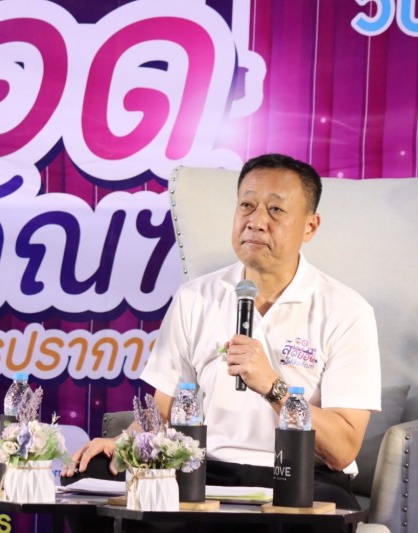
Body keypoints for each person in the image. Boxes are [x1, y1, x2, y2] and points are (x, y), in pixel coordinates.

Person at [61, 153, 381, 530]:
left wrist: (273, 387)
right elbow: (164, 409)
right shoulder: (196, 297)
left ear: (310, 227)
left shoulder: (345, 310)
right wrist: (124, 442)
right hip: (205, 471)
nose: (255, 221)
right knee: (88, 477)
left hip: (300, 478)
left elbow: (342, 450)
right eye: (247, 205)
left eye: (276, 210)